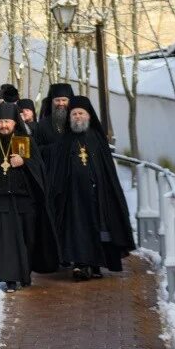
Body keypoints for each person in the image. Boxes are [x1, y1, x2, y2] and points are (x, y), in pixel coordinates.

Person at [45, 96, 135, 281]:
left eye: (81, 113)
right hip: (73, 197)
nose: (78, 117)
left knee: (98, 229)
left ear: (88, 116)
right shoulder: (65, 140)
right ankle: (80, 265)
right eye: (74, 114)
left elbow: (107, 172)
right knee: (76, 230)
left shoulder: (97, 139)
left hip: (96, 195)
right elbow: (57, 170)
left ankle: (95, 265)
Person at [0, 103, 59, 292]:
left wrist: (25, 161)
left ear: (14, 123)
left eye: (7, 121)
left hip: (23, 201)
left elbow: (38, 170)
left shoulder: (21, 142)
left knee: (26, 239)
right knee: (4, 243)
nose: (4, 125)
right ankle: (10, 279)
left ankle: (24, 274)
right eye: (0, 122)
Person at [34, 82, 74, 149]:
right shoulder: (43, 124)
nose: (61, 103)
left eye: (64, 100)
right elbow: (37, 149)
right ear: (52, 102)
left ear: (70, 101)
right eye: (57, 100)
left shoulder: (77, 122)